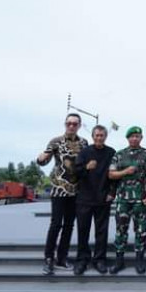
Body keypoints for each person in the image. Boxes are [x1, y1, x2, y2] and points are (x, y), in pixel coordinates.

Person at [36, 113, 88, 275]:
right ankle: (48, 258)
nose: (71, 126)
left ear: (79, 125)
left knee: (69, 225)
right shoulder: (56, 141)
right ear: (65, 124)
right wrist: (40, 158)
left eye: (74, 124)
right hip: (59, 188)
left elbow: (86, 165)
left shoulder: (84, 143)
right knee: (56, 224)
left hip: (76, 190)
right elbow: (44, 160)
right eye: (69, 123)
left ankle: (62, 258)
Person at [108, 126, 146, 275]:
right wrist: (125, 172)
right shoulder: (119, 154)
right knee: (121, 230)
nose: (134, 138)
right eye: (132, 136)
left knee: (141, 230)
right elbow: (111, 174)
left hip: (140, 199)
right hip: (123, 199)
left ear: (141, 138)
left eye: (137, 136)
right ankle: (119, 260)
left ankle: (139, 260)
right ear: (127, 138)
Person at [72, 124, 116, 275]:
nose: (99, 138)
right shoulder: (84, 152)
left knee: (101, 231)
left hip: (103, 197)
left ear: (105, 137)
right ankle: (82, 259)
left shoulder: (111, 153)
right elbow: (75, 173)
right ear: (93, 137)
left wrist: (112, 192)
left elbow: (115, 176)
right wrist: (86, 168)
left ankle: (99, 259)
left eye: (101, 135)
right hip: (84, 198)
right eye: (96, 135)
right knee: (83, 230)